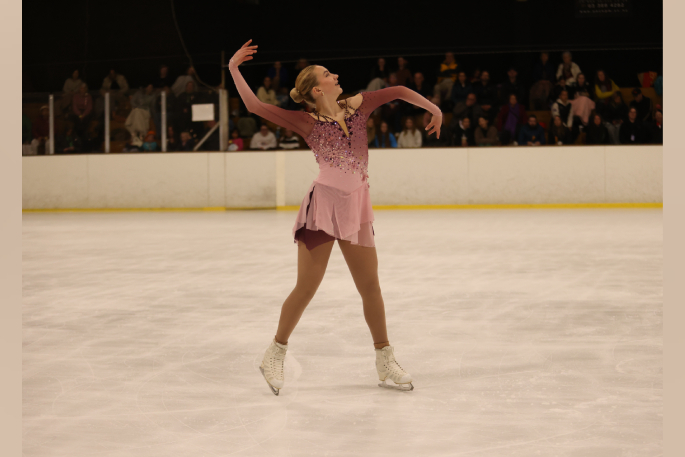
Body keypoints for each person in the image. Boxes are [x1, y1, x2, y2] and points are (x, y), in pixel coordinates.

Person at [228, 39, 443, 395]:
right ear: (316, 88)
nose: (336, 75)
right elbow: (254, 105)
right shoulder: (305, 122)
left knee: (370, 286)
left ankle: (384, 358)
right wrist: (234, 68)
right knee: (307, 287)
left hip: (356, 206)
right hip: (322, 209)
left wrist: (433, 108)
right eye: (328, 74)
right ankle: (274, 352)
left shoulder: (359, 106)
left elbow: (401, 90)